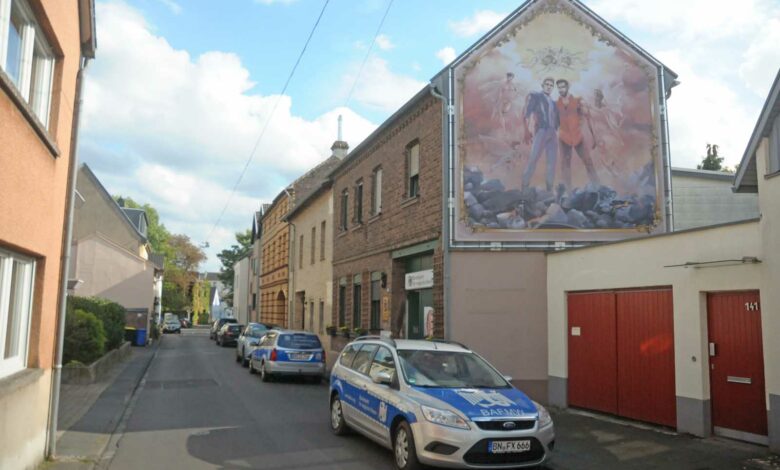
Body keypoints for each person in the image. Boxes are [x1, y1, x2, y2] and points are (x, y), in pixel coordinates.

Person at [556, 79, 600, 190]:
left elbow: (589, 118)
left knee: (588, 161)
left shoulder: (578, 101)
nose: (561, 89)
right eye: (559, 87)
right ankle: (568, 192)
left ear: (567, 87)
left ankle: (598, 187)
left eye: (563, 87)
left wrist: (594, 137)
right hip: (563, 138)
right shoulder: (556, 104)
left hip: (577, 137)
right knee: (565, 166)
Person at [522, 77, 559, 192]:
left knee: (551, 162)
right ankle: (524, 187)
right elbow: (526, 114)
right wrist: (526, 131)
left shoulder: (553, 102)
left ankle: (549, 189)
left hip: (552, 132)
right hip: (541, 131)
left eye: (551, 85)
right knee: (533, 159)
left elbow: (557, 119)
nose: (549, 86)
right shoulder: (536, 97)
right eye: (547, 84)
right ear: (542, 85)